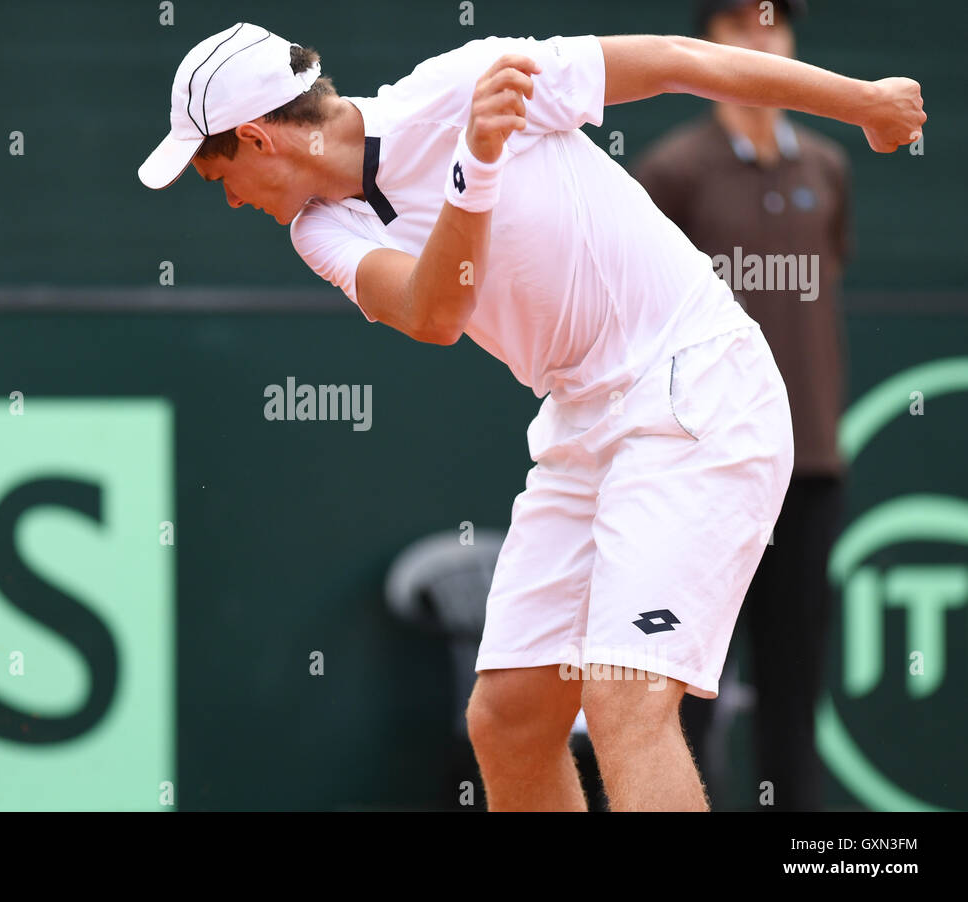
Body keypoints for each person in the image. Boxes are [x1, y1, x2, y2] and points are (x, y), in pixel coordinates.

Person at [138, 21, 924, 810]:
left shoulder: (465, 81)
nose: (231, 197)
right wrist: (474, 170)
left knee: (623, 702)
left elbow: (674, 63)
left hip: (697, 382)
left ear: (256, 138)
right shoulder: (320, 229)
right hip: (581, 421)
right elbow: (434, 310)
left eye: (219, 175)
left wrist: (861, 102)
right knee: (509, 721)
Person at [633, 0, 852, 811]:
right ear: (706, 46)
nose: (762, 39)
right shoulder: (672, 172)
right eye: (739, 26)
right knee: (692, 687)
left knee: (794, 688)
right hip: (705, 471)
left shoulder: (828, 168)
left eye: (774, 24)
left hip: (810, 470)